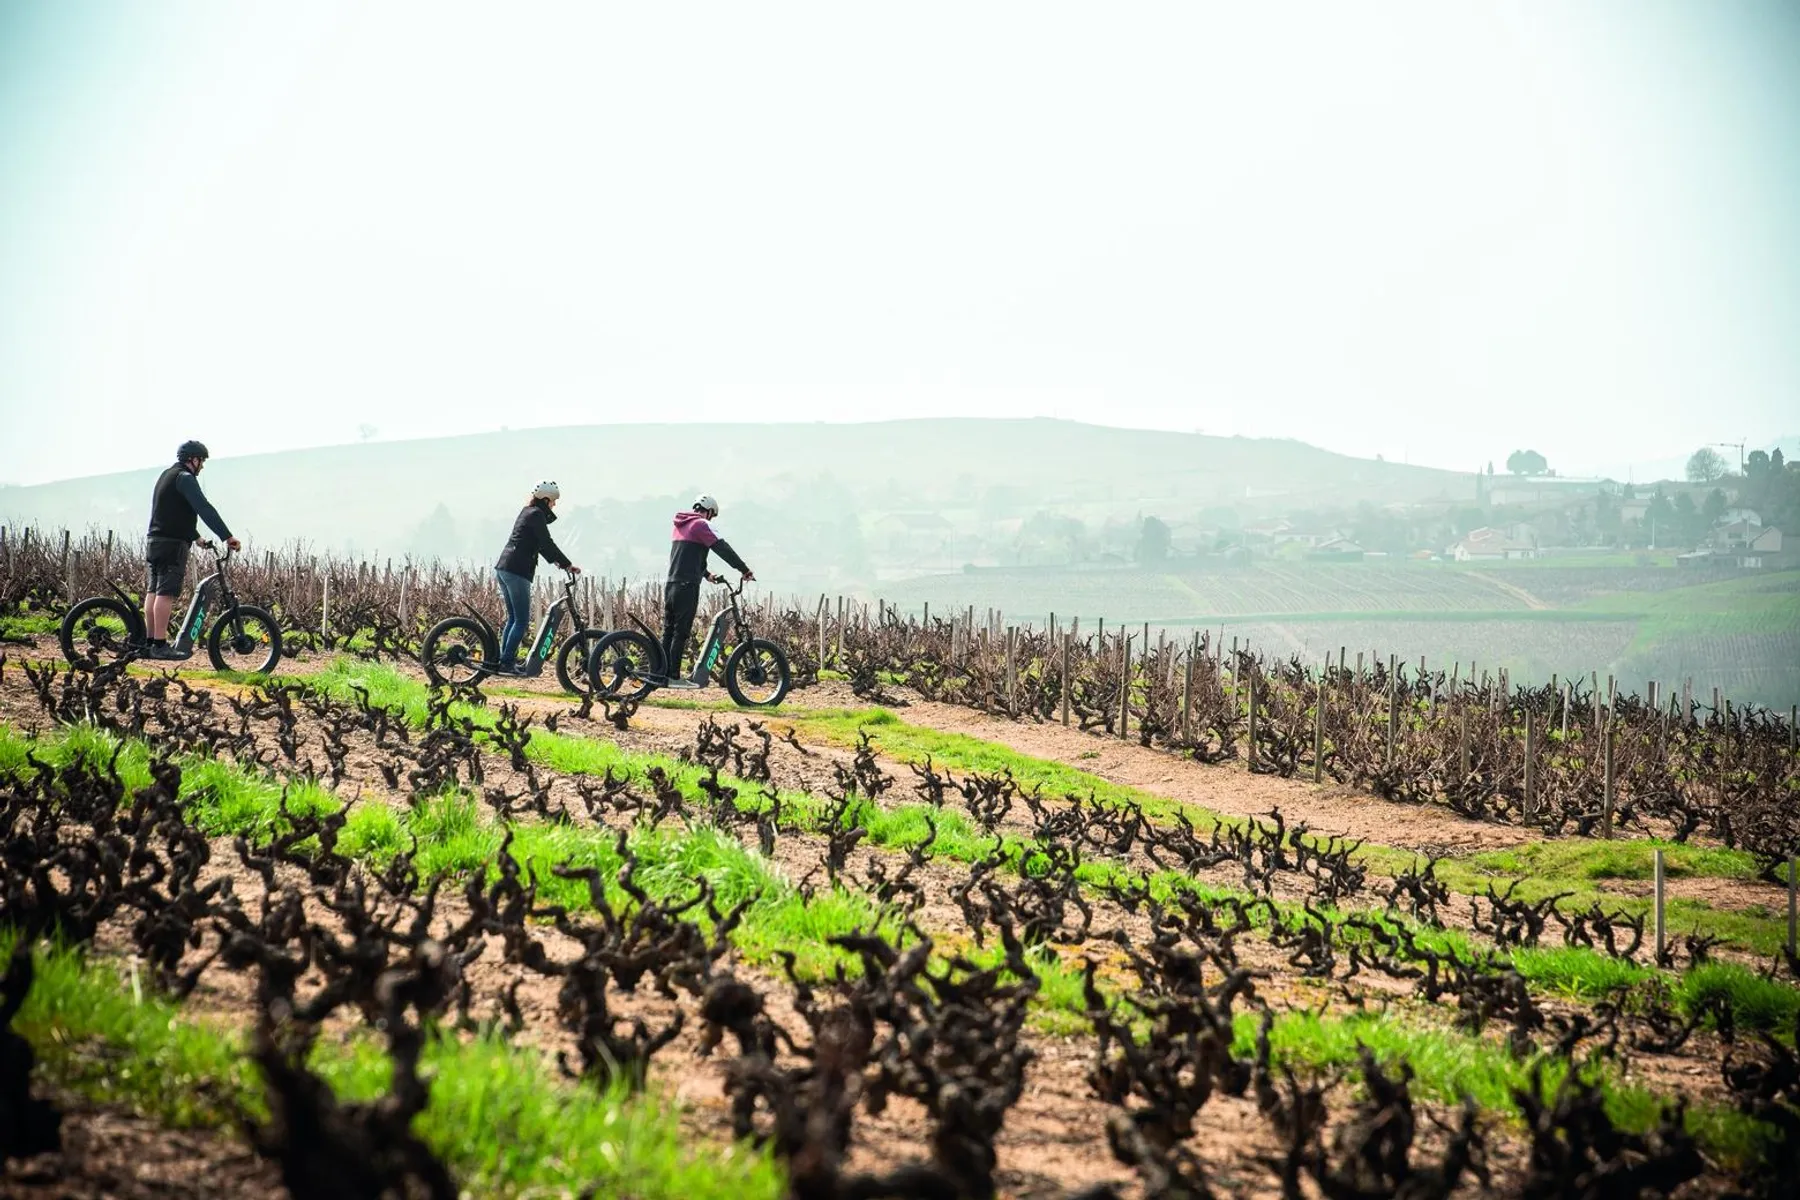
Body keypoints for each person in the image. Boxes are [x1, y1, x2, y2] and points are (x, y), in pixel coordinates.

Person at [143, 440, 240, 657]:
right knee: (165, 594)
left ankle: (149, 642)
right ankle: (160, 645)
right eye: (201, 461)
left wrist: (197, 538)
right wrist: (227, 536)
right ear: (193, 460)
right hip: (171, 546)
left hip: (154, 542)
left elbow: (174, 514)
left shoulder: (166, 475)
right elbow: (203, 508)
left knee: (152, 592)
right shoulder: (185, 479)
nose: (202, 466)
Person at [663, 493, 753, 680]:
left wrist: (706, 575)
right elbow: (722, 548)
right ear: (710, 512)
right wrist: (744, 569)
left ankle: (660, 672)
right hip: (687, 586)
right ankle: (672, 675)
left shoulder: (681, 525)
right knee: (681, 632)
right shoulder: (701, 524)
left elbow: (687, 556)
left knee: (669, 631)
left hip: (671, 584)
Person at [493, 481, 580, 674]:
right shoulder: (537, 514)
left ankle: (502, 660)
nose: (554, 506)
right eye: (553, 502)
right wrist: (567, 564)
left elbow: (538, 544)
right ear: (546, 499)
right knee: (522, 620)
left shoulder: (527, 512)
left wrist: (557, 562)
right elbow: (546, 542)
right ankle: (506, 663)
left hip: (505, 567)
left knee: (513, 619)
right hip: (517, 570)